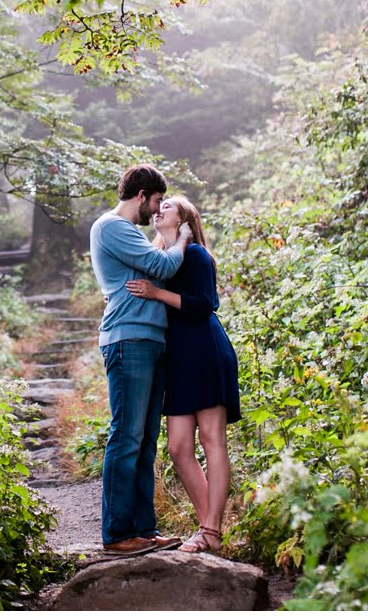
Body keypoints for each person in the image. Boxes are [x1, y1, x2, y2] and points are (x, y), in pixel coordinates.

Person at [126, 195, 241, 555]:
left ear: (185, 219)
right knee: (177, 448)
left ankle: (209, 530)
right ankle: (212, 529)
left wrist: (157, 293)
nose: (159, 209)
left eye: (168, 206)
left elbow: (205, 304)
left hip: (205, 350)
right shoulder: (162, 257)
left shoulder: (195, 254)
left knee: (211, 439)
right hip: (176, 359)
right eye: (159, 206)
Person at [88, 164, 192, 556]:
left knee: (146, 440)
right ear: (141, 194)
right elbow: (163, 266)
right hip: (127, 339)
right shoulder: (111, 226)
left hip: (149, 338)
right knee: (127, 436)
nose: (157, 208)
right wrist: (180, 238)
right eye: (156, 201)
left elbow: (156, 273)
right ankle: (117, 535)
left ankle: (143, 530)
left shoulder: (131, 234)